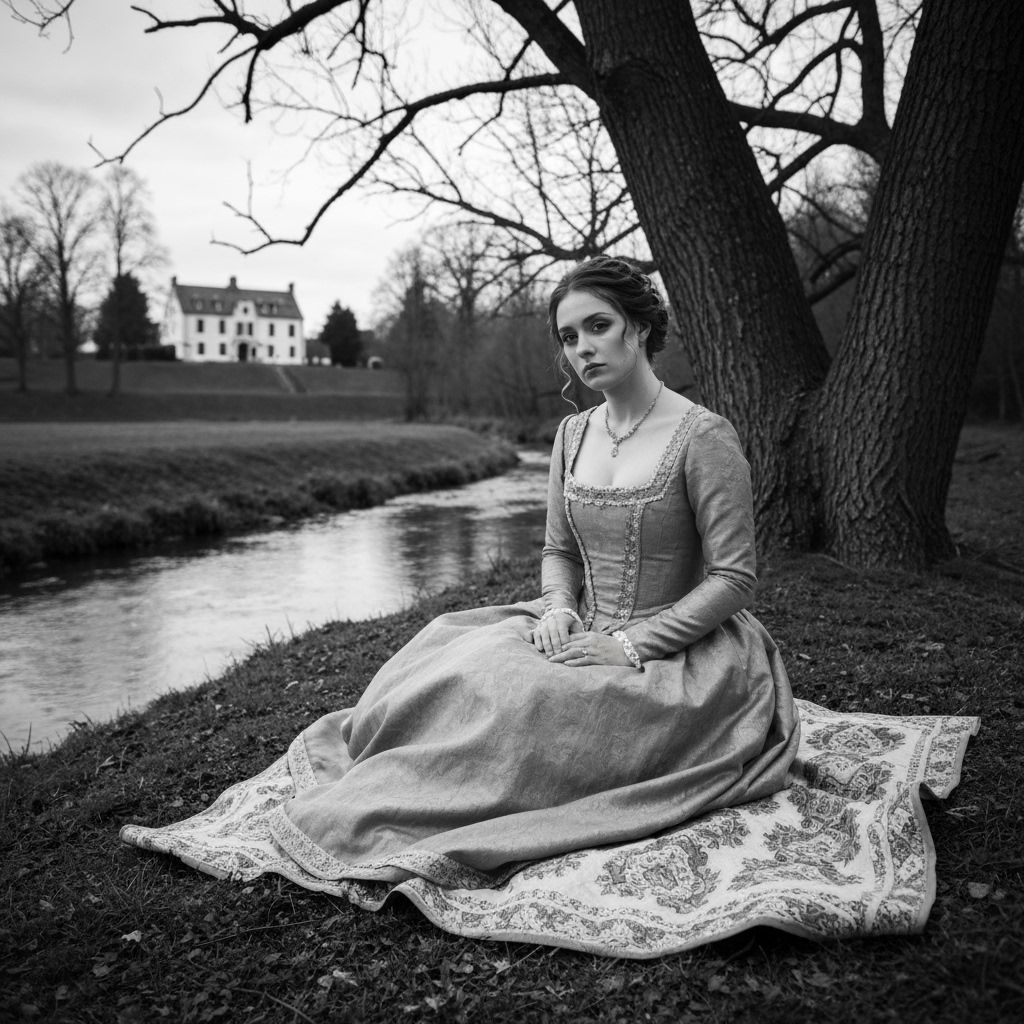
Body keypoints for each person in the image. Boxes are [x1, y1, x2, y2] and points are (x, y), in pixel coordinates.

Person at [121, 255, 800, 892]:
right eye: (568, 336)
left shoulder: (703, 435)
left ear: (642, 327)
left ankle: (441, 800)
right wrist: (560, 609)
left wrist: (628, 646)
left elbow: (736, 577)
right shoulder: (573, 434)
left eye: (599, 326)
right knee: (452, 663)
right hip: (578, 626)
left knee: (531, 705)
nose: (583, 348)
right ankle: (393, 786)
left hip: (678, 653)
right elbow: (558, 552)